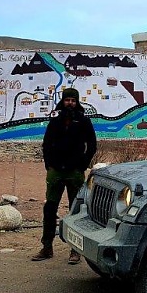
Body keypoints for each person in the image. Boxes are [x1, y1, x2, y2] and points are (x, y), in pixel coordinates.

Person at [32, 87, 97, 263]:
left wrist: (82, 165)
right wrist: (49, 165)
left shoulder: (83, 121)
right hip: (56, 172)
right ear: (63, 101)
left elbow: (92, 145)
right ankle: (47, 247)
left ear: (77, 102)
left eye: (73, 101)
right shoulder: (55, 121)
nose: (70, 103)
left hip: (75, 172)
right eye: (67, 100)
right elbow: (46, 144)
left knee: (75, 211)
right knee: (49, 209)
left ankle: (75, 251)